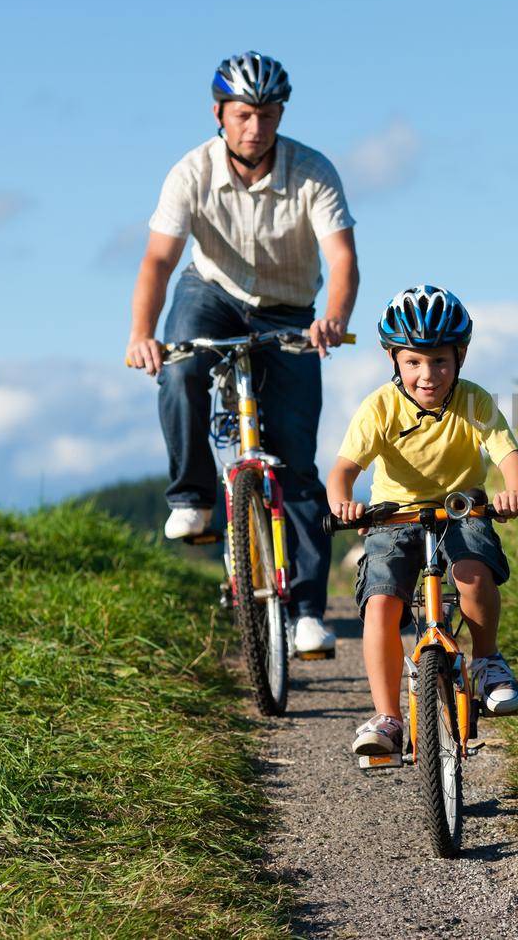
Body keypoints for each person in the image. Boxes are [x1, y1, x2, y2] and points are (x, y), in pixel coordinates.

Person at [126, 51, 359, 657]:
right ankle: (193, 498)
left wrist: (333, 318)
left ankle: (307, 611)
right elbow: (157, 260)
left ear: (280, 114)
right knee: (179, 371)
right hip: (212, 296)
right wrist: (141, 333)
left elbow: (341, 260)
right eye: (244, 115)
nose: (256, 128)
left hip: (289, 311)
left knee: (298, 465)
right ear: (220, 115)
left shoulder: (312, 171)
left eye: (267, 114)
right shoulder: (190, 173)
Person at [327, 285, 518, 755]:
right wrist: (344, 504)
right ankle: (387, 717)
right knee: (382, 601)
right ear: (394, 362)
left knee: (473, 572)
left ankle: (486, 663)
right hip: (393, 517)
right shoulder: (379, 407)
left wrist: (515, 491)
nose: (428, 374)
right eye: (414, 362)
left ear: (459, 358)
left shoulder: (475, 401)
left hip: (463, 509)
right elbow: (343, 471)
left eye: (440, 361)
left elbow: (510, 455)